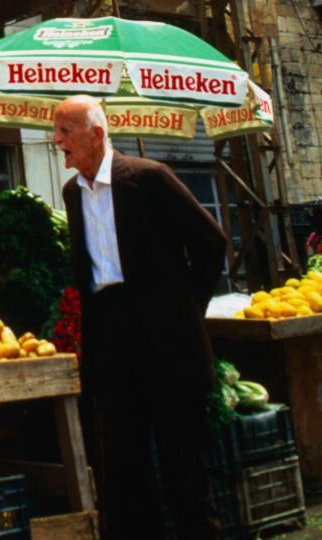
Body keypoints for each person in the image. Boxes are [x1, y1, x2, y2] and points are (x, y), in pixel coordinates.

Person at [56, 95, 226, 539]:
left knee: (182, 467)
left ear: (96, 135)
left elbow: (211, 242)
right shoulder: (72, 193)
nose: (57, 141)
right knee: (124, 470)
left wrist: (188, 310)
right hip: (110, 338)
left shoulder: (150, 179)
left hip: (164, 338)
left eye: (64, 131)